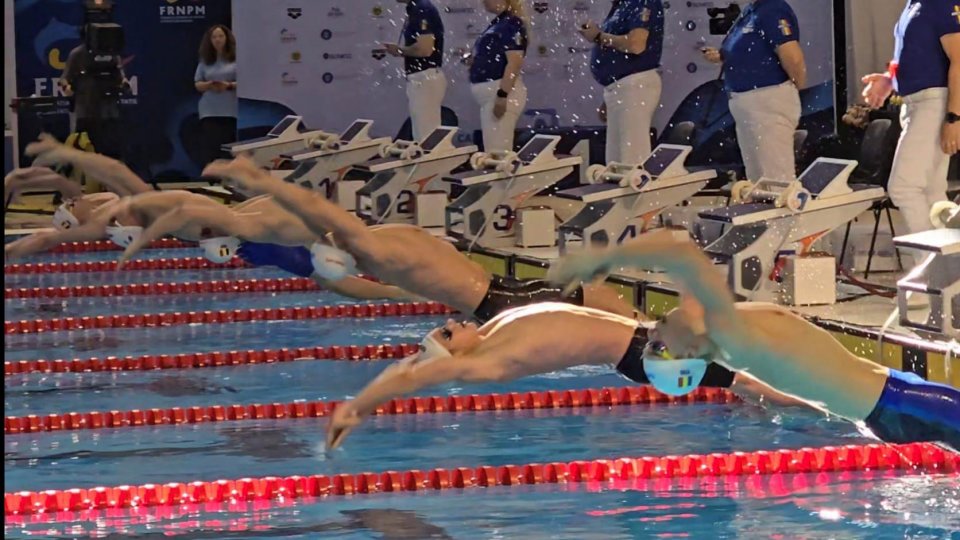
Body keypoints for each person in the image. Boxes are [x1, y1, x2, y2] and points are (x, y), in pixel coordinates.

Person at [545, 230, 960, 448]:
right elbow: (680, 253)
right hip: (903, 406)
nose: (650, 329)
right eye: (657, 344)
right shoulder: (729, 336)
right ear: (690, 352)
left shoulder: (705, 326)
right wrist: (599, 258)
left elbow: (676, 245)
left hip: (893, 403)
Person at [323, 298, 810, 449]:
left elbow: (417, 363)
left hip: (647, 338)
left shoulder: (493, 328)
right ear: (454, 358)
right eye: (447, 334)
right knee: (746, 374)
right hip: (651, 359)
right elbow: (413, 376)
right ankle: (828, 404)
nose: (452, 323)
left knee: (748, 345)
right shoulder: (489, 362)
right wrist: (355, 408)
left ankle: (770, 404)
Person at [201, 156, 637, 322]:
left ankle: (643, 331)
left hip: (493, 301)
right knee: (594, 304)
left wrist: (263, 184)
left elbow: (317, 219)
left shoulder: (371, 247)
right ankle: (644, 330)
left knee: (591, 305)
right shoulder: (382, 240)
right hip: (497, 295)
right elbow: (318, 215)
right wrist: (262, 184)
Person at [861, 0, 959, 235]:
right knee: (930, 191)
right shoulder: (914, 4)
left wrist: (954, 118)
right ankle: (948, 265)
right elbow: (919, 55)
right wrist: (888, 80)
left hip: (934, 102)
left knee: (904, 188)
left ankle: (933, 267)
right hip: (918, 103)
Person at [701, 0, 807, 182]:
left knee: (776, 180)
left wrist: (791, 91)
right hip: (747, 104)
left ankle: (781, 211)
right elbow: (749, 50)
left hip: (768, 100)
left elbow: (793, 58)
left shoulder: (773, 8)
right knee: (757, 181)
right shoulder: (751, 11)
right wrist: (723, 56)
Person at [579, 0, 664, 164]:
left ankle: (636, 189)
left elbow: (636, 45)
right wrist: (609, 95)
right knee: (615, 162)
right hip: (620, 87)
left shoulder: (641, 2)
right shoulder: (621, 5)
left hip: (634, 85)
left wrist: (598, 36)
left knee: (631, 160)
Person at [58, 26, 129, 161]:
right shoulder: (77, 54)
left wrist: (124, 83)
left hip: (109, 111)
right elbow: (64, 78)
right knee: (83, 150)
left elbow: (121, 77)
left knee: (111, 151)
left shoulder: (112, 54)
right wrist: (67, 87)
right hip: (85, 111)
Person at [468, 0, 529, 151]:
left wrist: (502, 96)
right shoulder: (499, 23)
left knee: (499, 153)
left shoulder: (511, 24)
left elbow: (514, 63)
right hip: (492, 96)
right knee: (493, 151)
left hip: (501, 93)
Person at [382, 0, 446, 142]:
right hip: (422, 77)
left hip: (424, 78)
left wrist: (398, 50)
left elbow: (425, 49)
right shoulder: (417, 8)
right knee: (423, 134)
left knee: (425, 137)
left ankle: (430, 164)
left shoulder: (422, 9)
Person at [194, 24, 238, 167]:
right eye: (214, 37)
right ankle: (213, 179)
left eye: (220, 36)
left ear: (227, 38)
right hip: (209, 110)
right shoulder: (205, 61)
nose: (217, 40)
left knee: (227, 146)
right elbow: (197, 83)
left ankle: (227, 177)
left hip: (229, 110)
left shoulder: (236, 59)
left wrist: (229, 85)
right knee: (211, 145)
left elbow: (245, 83)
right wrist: (209, 85)